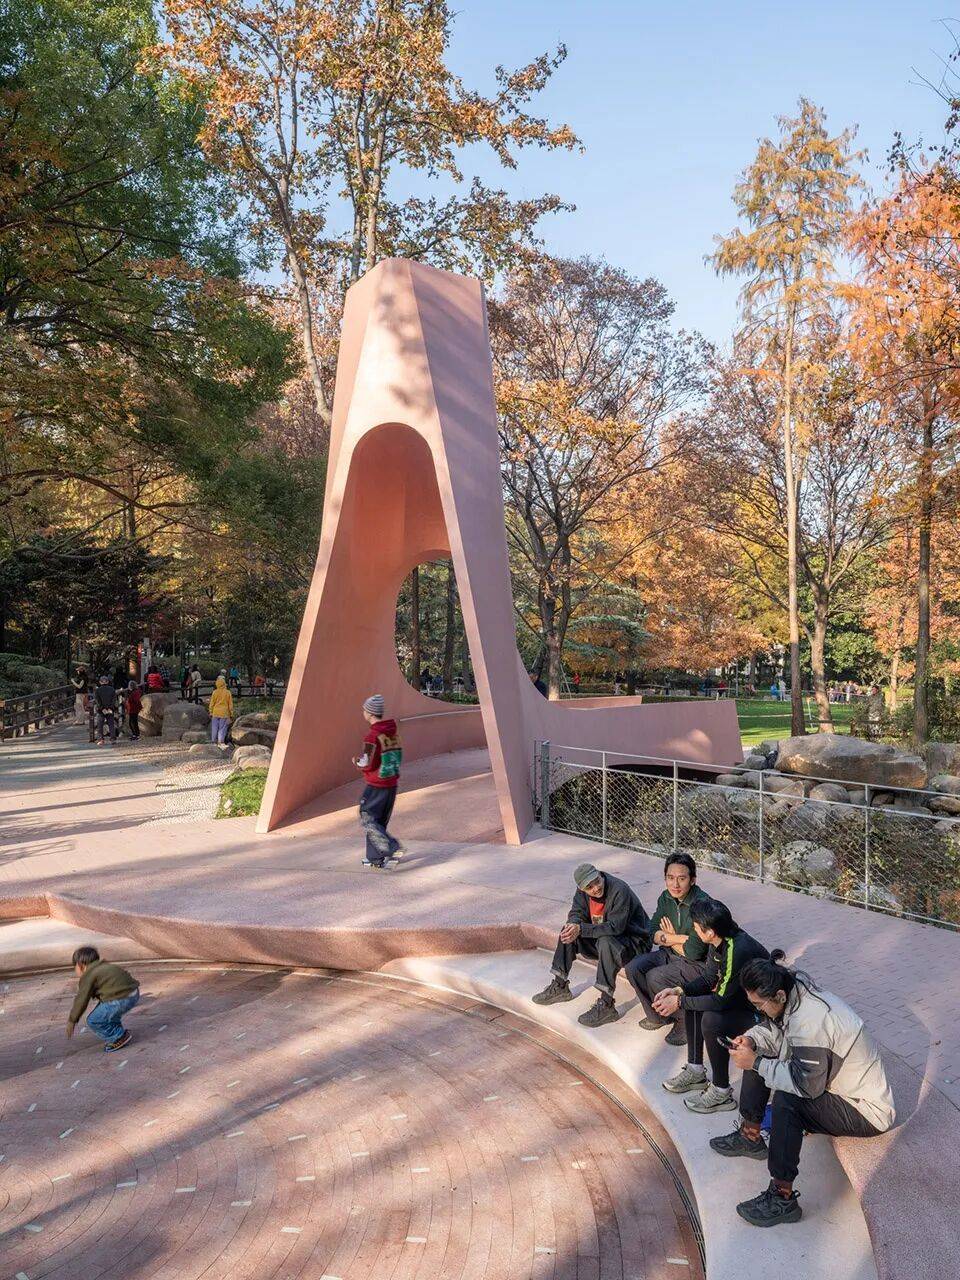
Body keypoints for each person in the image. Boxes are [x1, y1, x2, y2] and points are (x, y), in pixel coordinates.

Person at [710, 950, 895, 1228]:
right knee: (755, 1056)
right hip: (832, 1084)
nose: (758, 1010)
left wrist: (756, 1062)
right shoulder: (791, 994)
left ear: (778, 996)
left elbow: (805, 1086)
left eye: (759, 1005)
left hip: (865, 1108)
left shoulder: (811, 1020)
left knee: (787, 1100)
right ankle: (750, 1136)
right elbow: (776, 1034)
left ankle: (782, 1197)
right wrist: (751, 1041)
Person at [652, 897, 768, 1113]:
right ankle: (696, 1071)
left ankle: (721, 1091)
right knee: (693, 999)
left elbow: (720, 1001)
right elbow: (707, 979)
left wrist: (678, 1002)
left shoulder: (736, 950)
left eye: (696, 927)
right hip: (741, 1002)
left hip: (762, 1016)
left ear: (710, 932)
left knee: (712, 1020)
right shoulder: (719, 940)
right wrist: (679, 991)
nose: (694, 930)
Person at [532, 863, 651, 1028]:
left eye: (597, 881)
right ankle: (560, 986)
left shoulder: (619, 889)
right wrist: (574, 925)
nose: (595, 888)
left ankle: (607, 1004)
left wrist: (581, 929)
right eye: (589, 887)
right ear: (582, 889)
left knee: (606, 941)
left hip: (635, 943)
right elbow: (577, 913)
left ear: (599, 875)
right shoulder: (581, 892)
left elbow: (616, 927)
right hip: (606, 939)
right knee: (568, 931)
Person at [625, 853, 711, 1046]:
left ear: (693, 880)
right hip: (670, 953)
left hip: (697, 964)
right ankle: (658, 1016)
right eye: (670, 878)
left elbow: (695, 951)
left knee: (655, 976)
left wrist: (667, 938)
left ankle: (686, 1021)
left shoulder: (702, 904)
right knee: (634, 967)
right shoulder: (666, 897)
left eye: (682, 878)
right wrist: (677, 939)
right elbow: (652, 931)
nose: (675, 884)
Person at [353, 694, 403, 869]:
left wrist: (356, 762)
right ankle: (375, 858)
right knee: (378, 821)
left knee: (367, 817)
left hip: (376, 785)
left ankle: (391, 846)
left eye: (364, 710)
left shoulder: (373, 736)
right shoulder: (392, 733)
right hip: (391, 784)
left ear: (370, 713)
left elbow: (368, 763)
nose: (363, 712)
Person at [66, 946, 140, 1052]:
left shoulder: (89, 975)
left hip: (122, 998)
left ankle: (118, 1037)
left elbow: (81, 1000)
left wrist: (72, 1020)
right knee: (104, 1011)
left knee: (94, 1020)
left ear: (80, 965)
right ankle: (117, 1031)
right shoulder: (104, 966)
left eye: (75, 967)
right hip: (133, 993)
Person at [208, 674, 234, 747]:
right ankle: (221, 742)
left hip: (215, 712)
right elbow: (230, 704)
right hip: (224, 713)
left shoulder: (215, 692)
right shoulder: (228, 692)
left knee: (214, 728)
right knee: (222, 728)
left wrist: (210, 711)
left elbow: (212, 703)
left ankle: (213, 741)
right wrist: (231, 714)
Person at [94, 675, 118, 746]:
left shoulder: (97, 690)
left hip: (101, 710)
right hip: (110, 709)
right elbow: (114, 700)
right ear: (107, 682)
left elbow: (97, 701)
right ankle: (113, 739)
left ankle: (101, 739)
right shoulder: (112, 689)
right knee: (111, 724)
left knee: (100, 725)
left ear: (100, 682)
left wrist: (102, 708)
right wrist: (110, 707)